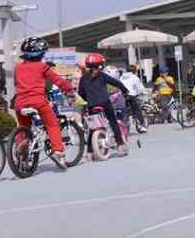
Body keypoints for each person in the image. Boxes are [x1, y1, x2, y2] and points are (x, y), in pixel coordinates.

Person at [12, 37, 73, 169]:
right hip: (38, 102)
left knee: (24, 127)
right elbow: (57, 80)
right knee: (52, 124)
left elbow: (16, 84)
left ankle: (21, 148)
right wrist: (69, 89)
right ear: (40, 54)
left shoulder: (17, 68)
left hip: (20, 103)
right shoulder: (42, 66)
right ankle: (58, 152)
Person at [77, 54, 132, 157]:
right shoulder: (102, 75)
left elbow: (81, 93)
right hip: (105, 103)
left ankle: (89, 152)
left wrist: (87, 100)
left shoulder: (83, 78)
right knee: (113, 122)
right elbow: (117, 83)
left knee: (93, 127)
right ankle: (120, 144)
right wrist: (125, 91)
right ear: (100, 65)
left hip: (91, 105)